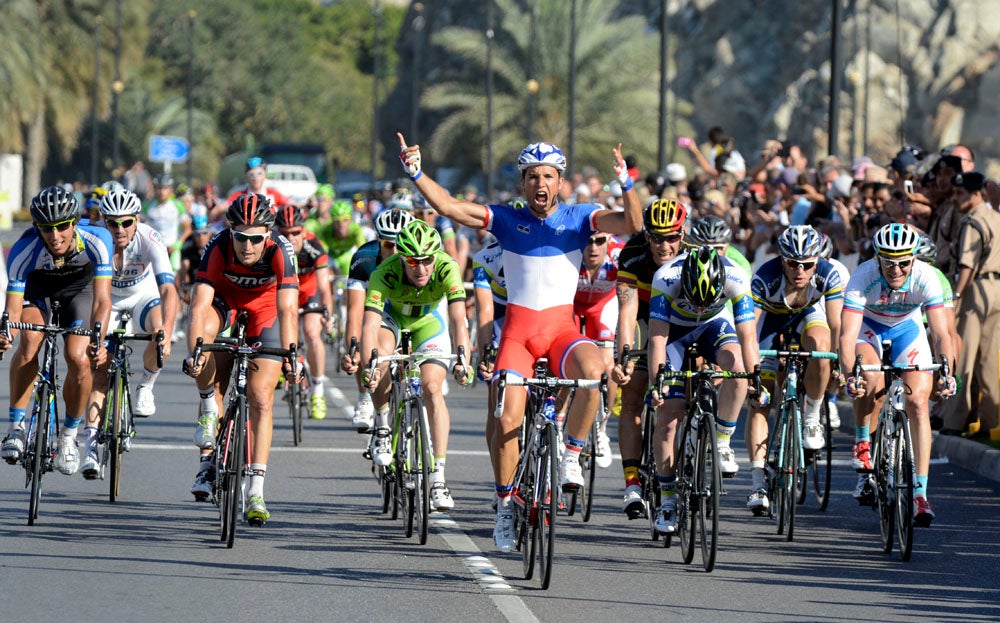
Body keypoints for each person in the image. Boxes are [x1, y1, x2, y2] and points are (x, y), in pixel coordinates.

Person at [397, 132, 643, 552]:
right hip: (519, 335)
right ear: (523, 182)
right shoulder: (507, 219)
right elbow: (451, 207)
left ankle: (570, 453)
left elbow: (634, 224)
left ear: (560, 181)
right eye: (532, 177)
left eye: (548, 176)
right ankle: (506, 503)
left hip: (562, 331)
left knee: (594, 373)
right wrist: (416, 172)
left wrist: (627, 183)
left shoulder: (581, 218)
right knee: (508, 418)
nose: (540, 184)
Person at [183, 193, 299, 522]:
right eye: (240, 238)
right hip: (225, 303)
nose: (247, 247)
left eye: (255, 239)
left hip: (265, 310)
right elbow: (199, 307)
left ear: (267, 235)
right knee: (206, 348)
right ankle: (208, 415)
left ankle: (256, 491)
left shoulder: (281, 249)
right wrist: (196, 352)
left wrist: (292, 356)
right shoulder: (218, 245)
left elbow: (289, 309)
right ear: (230, 232)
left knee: (261, 397)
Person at [841, 223, 957, 525]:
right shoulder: (863, 276)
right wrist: (849, 374)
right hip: (870, 329)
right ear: (877, 258)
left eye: (903, 262)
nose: (895, 269)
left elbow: (942, 333)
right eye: (888, 261)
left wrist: (947, 371)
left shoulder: (926, 276)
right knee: (871, 379)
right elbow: (847, 334)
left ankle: (920, 493)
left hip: (907, 328)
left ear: (914, 259)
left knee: (919, 403)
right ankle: (863, 440)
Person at [646, 247, 763, 534]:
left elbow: (748, 337)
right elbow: (657, 342)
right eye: (694, 300)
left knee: (737, 367)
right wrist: (656, 384)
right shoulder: (665, 277)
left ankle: (721, 440)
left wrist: (756, 381)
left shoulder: (736, 277)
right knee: (670, 417)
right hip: (673, 332)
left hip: (714, 326)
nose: (699, 306)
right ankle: (668, 500)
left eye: (706, 301)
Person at [359, 220, 473, 511]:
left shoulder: (448, 267)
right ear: (400, 258)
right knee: (381, 355)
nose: (420, 269)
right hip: (392, 320)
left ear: (436, 257)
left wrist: (464, 362)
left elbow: (460, 319)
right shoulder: (384, 273)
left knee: (433, 387)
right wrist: (369, 366)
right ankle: (383, 425)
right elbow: (370, 324)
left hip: (428, 324)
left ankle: (438, 478)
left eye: (426, 261)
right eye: (412, 262)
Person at [0, 187, 112, 473]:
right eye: (47, 229)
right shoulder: (25, 249)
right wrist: (5, 334)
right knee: (29, 340)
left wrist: (98, 341)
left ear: (75, 222)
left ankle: (69, 437)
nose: (55, 235)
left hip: (80, 292)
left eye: (63, 226)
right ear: (37, 227)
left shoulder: (98, 239)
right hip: (40, 292)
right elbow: (12, 309)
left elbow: (101, 300)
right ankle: (16, 428)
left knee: (78, 357)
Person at [78, 189, 177, 476]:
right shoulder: (93, 238)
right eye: (112, 223)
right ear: (103, 221)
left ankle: (146, 385)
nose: (119, 229)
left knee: (158, 333)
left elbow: (169, 289)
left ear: (136, 220)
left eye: (126, 222)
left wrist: (167, 332)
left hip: (141, 297)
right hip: (108, 299)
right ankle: (90, 448)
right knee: (99, 369)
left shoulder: (150, 238)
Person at [744, 225, 842, 513]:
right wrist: (753, 370)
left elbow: (836, 325)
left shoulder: (829, 273)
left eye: (808, 265)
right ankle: (758, 481)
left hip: (805, 315)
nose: (800, 271)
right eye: (792, 264)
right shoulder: (765, 277)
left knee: (822, 347)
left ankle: (812, 413)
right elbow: (750, 330)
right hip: (769, 325)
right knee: (760, 399)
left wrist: (837, 363)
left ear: (817, 263)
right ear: (781, 259)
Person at [611, 198, 687, 518]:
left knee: (691, 389)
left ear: (682, 234)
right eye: (656, 237)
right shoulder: (632, 255)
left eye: (671, 237)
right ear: (646, 236)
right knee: (632, 391)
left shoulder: (694, 255)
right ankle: (632, 483)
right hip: (645, 319)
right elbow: (627, 312)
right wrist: (624, 355)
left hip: (682, 323)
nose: (664, 245)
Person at [341, 208, 415, 431]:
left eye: (401, 244)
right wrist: (353, 350)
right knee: (364, 340)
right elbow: (354, 311)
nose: (395, 251)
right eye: (388, 245)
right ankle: (365, 397)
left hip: (406, 310)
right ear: (378, 241)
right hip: (377, 308)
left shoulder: (417, 261)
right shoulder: (364, 260)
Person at [940, 172, 1000, 436]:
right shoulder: (996, 217)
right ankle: (992, 423)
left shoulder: (973, 220)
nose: (955, 198)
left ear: (978, 193)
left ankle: (954, 421)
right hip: (997, 287)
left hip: (976, 290)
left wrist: (955, 296)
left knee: (962, 357)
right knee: (988, 361)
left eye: (960, 194)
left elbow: (967, 264)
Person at [274, 205, 336, 420]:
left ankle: (318, 392)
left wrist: (328, 314)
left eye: (296, 233)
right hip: (281, 294)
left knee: (311, 332)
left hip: (307, 295)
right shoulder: (272, 245)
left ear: (303, 230)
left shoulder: (315, 247)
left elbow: (324, 287)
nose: (291, 238)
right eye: (285, 234)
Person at [573, 232, 625, 470]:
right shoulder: (569, 251)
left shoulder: (619, 254)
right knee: (564, 364)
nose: (593, 247)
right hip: (571, 304)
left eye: (600, 241)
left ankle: (602, 428)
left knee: (607, 365)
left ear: (608, 241)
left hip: (603, 305)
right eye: (588, 240)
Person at [306, 199, 367, 276]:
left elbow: (364, 251)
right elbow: (321, 252)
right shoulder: (325, 230)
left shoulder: (356, 230)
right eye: (337, 220)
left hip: (348, 253)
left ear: (351, 219)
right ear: (332, 220)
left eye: (345, 219)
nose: (341, 224)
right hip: (332, 255)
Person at [225, 157, 290, 210]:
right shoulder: (238, 196)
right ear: (246, 177)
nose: (255, 178)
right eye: (251, 174)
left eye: (259, 174)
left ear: (265, 176)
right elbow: (221, 208)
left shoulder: (274, 194)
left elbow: (292, 203)